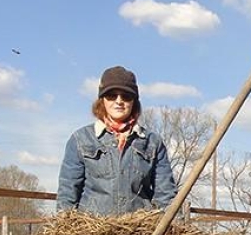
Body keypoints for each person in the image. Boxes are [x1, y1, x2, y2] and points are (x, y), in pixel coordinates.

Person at [56, 65, 178, 215]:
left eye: (126, 96)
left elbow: (165, 194)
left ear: (134, 101)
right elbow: (67, 193)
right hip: (91, 233)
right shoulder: (80, 140)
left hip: (140, 233)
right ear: (102, 100)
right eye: (112, 95)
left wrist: (171, 229)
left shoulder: (152, 143)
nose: (119, 101)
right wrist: (65, 230)